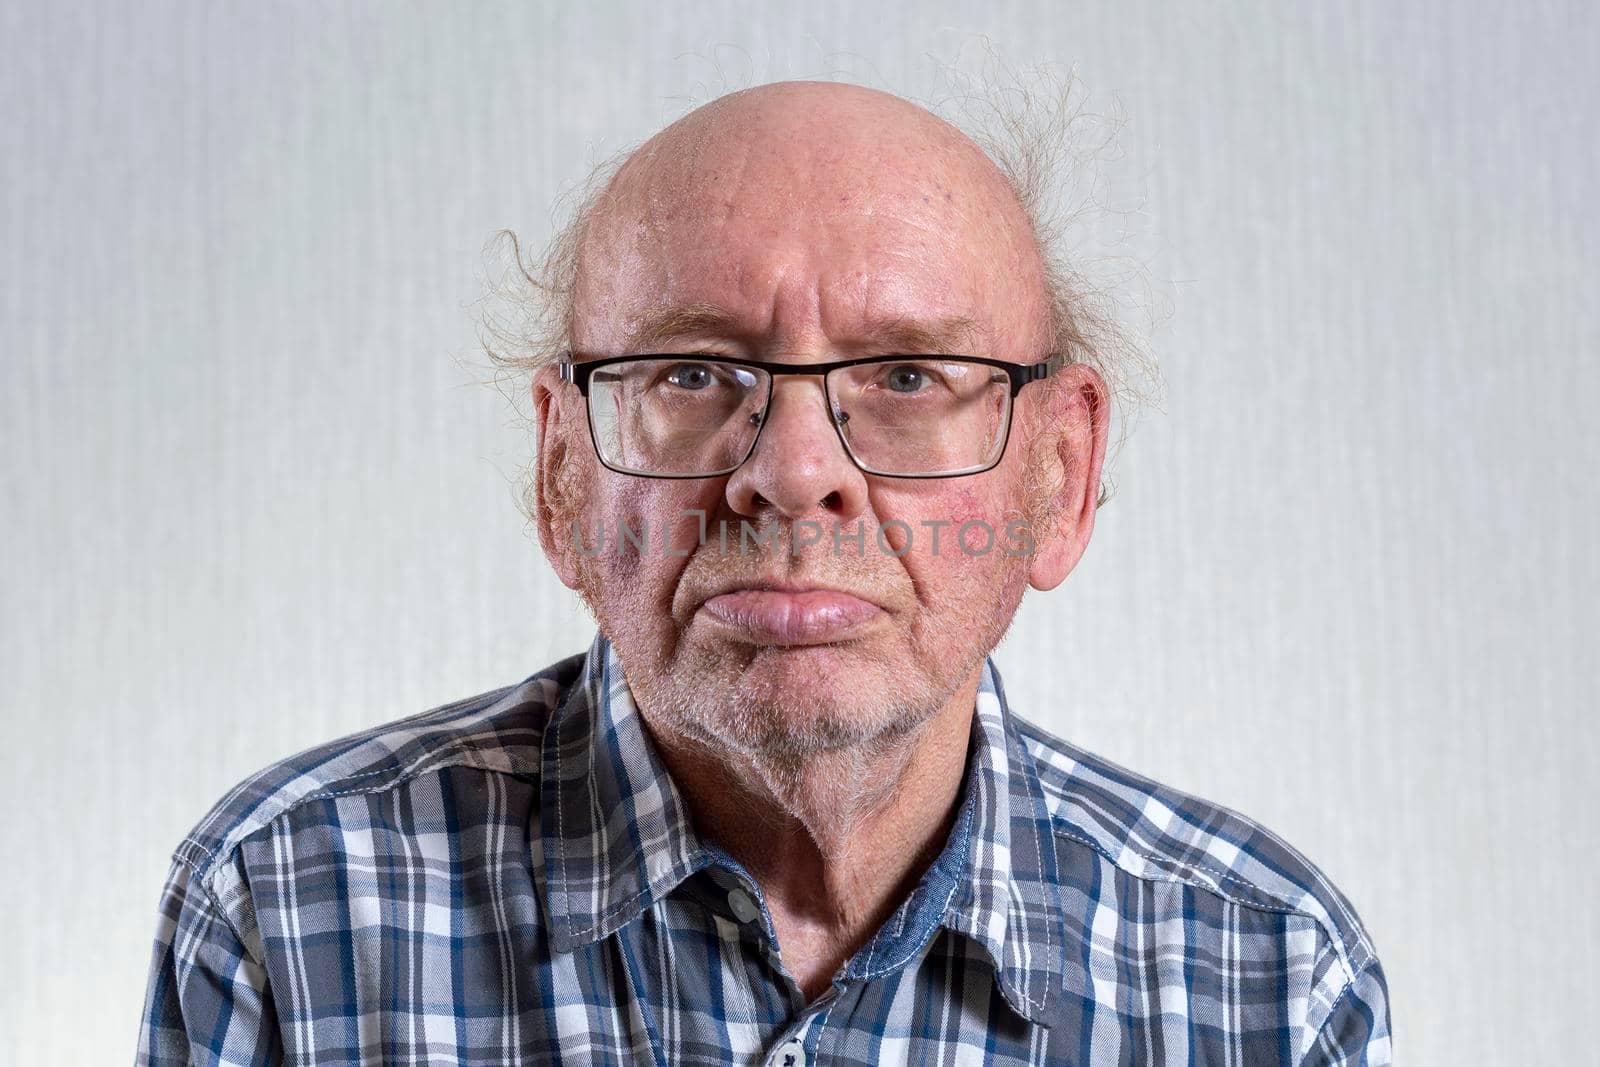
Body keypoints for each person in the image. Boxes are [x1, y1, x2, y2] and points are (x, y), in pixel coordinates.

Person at [136, 80, 1389, 1065]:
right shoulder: (288, 908)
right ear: (562, 476)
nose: (793, 474)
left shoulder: (1262, 974)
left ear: (1058, 479)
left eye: (906, 376)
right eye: (690, 372)